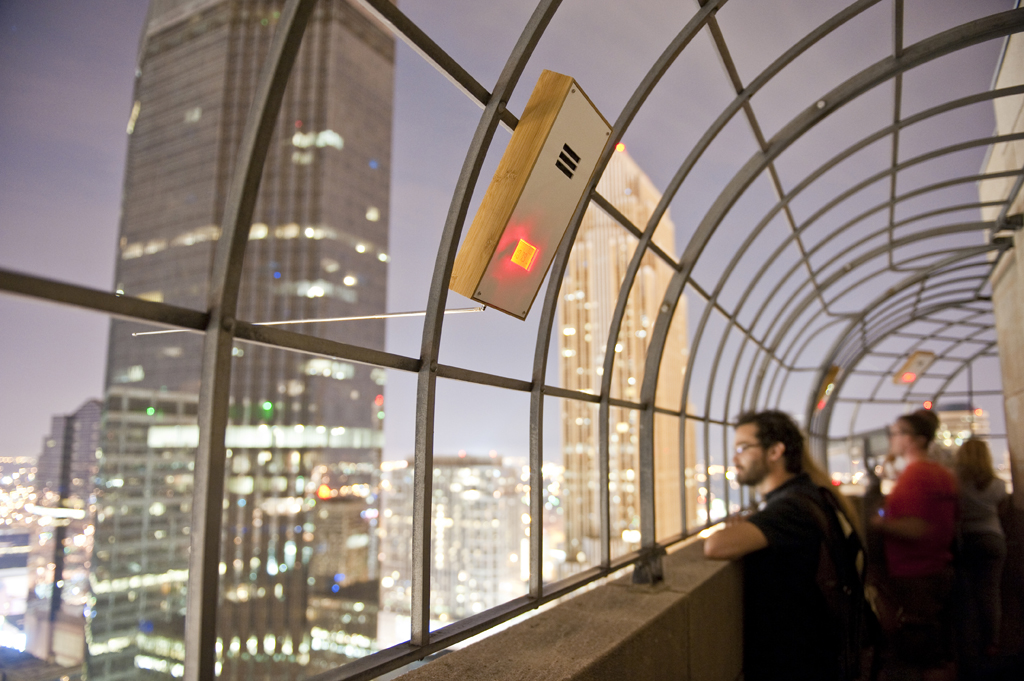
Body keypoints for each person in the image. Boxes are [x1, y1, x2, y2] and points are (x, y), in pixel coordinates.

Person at [704, 410, 864, 681]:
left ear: (775, 451)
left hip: (798, 665)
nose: (734, 458)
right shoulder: (808, 496)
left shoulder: (791, 509)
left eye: (743, 448)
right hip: (816, 658)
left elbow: (715, 546)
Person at [871, 412, 958, 680]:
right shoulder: (943, 474)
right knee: (937, 647)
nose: (892, 438)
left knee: (920, 651)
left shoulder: (914, 476)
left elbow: (917, 528)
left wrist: (879, 523)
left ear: (916, 440)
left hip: (914, 574)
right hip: (938, 568)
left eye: (898, 432)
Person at [954, 438, 1007, 665]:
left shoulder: (956, 484)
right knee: (990, 593)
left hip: (967, 539)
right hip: (994, 539)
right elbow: (1002, 511)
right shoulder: (998, 485)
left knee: (966, 594)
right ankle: (991, 644)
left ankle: (967, 645)